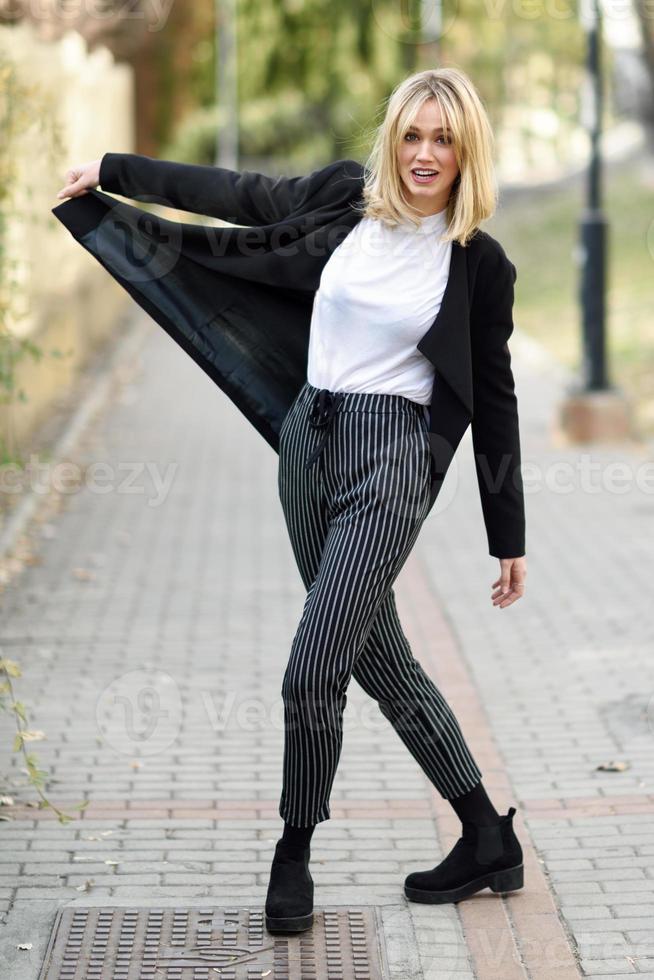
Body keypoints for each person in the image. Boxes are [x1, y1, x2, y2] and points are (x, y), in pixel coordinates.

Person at [55, 66, 527, 935]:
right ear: (393, 138)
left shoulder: (477, 265)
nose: (425, 154)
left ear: (468, 152)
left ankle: (294, 846)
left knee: (313, 668)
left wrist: (509, 533)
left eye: (444, 139)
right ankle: (486, 835)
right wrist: (113, 170)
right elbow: (238, 194)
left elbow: (494, 399)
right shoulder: (345, 201)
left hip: (391, 465)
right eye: (413, 135)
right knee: (379, 660)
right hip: (308, 441)